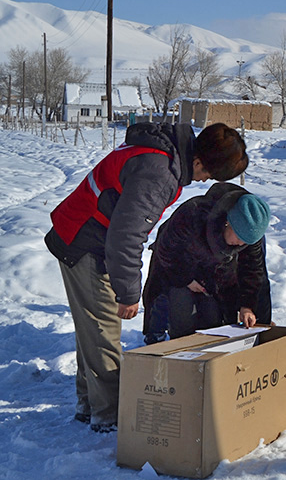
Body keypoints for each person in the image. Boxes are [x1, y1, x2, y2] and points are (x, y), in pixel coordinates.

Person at [44, 122, 248, 433]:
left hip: (88, 235)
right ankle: (108, 418)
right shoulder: (159, 172)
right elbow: (126, 237)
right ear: (198, 162)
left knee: (93, 329)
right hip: (85, 241)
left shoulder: (165, 155)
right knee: (103, 332)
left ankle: (89, 406)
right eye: (207, 174)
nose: (203, 181)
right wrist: (129, 293)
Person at [142, 183, 271, 343]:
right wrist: (186, 279)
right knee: (179, 309)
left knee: (212, 319)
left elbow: (253, 270)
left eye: (246, 243)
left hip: (215, 272)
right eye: (238, 238)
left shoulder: (250, 234)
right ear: (228, 223)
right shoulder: (193, 214)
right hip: (177, 263)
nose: (241, 245)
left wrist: (247, 305)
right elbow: (167, 252)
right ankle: (157, 340)